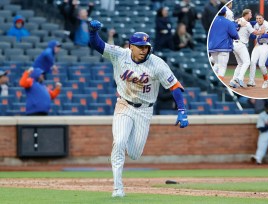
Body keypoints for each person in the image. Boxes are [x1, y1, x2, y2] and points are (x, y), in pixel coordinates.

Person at [89, 19, 189, 197]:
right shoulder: (120, 54)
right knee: (118, 143)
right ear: (131, 46)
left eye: (146, 46)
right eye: (140, 46)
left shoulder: (157, 63)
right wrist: (92, 32)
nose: (144, 50)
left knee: (135, 154)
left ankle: (124, 138)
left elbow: (175, 87)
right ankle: (118, 188)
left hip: (144, 110)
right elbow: (98, 45)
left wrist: (182, 110)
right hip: (124, 104)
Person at [228, 9, 265, 88]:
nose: (251, 15)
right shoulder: (247, 24)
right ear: (247, 14)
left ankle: (233, 80)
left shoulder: (238, 21)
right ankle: (240, 78)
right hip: (241, 44)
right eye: (250, 14)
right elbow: (255, 33)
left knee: (240, 64)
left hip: (234, 44)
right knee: (247, 62)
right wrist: (262, 32)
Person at [208, 7, 239, 81]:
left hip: (212, 47)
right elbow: (235, 35)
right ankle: (218, 83)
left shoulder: (212, 21)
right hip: (223, 47)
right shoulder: (228, 22)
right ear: (225, 13)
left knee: (217, 64)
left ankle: (210, 79)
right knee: (222, 66)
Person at [248, 14, 268, 89]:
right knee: (252, 62)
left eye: (260, 18)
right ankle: (251, 80)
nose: (258, 20)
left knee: (261, 64)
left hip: (266, 45)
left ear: (263, 18)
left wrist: (261, 35)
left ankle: (266, 79)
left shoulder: (267, 24)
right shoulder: (256, 24)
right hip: (258, 45)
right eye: (257, 18)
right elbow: (251, 24)